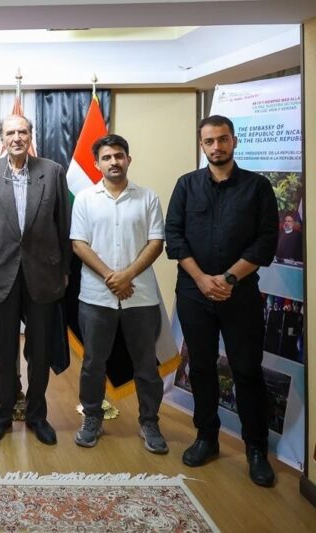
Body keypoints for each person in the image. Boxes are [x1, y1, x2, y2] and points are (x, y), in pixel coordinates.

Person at [166, 114, 278, 487]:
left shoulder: (258, 187)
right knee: (200, 367)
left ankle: (256, 449)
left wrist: (228, 279)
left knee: (247, 371)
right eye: (210, 141)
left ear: (234, 141)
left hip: (240, 294)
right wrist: (202, 279)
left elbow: (266, 242)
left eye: (223, 139)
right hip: (193, 292)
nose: (217, 146)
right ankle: (207, 438)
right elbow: (174, 236)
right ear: (202, 145)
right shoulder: (186, 185)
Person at [0, 115, 71, 445]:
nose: (17, 137)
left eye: (22, 131)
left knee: (39, 351)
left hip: (44, 275)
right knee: (4, 350)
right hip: (0, 274)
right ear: (1, 138)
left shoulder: (52, 171)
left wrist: (64, 270)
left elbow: (64, 225)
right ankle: (2, 413)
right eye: (10, 132)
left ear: (31, 136)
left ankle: (37, 415)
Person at [70, 134, 167, 453]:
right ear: (97, 164)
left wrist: (127, 276)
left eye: (119, 156)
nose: (114, 162)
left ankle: (150, 422)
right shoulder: (85, 199)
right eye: (107, 157)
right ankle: (92, 417)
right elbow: (78, 244)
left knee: (146, 365)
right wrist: (111, 277)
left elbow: (156, 242)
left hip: (141, 296)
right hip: (96, 297)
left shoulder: (147, 197)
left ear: (128, 159)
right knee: (93, 364)